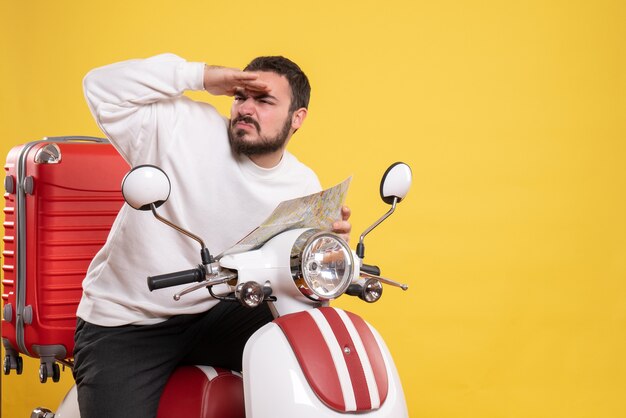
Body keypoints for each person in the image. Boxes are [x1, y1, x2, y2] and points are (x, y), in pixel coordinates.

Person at [73, 53, 351, 418]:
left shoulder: (301, 184)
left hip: (214, 313)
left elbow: (288, 265)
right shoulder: (182, 128)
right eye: (241, 97)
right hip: (130, 321)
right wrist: (200, 76)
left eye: (264, 100)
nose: (246, 109)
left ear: (297, 118)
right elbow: (100, 87)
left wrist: (329, 249)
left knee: (307, 337)